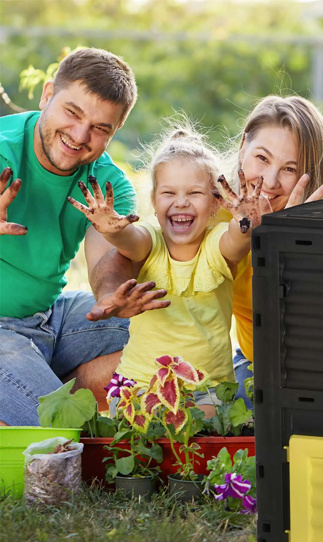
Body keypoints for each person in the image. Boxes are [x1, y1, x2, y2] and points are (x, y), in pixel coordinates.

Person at [0, 48, 167, 426]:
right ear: (47, 95)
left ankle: (29, 390)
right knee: (60, 435)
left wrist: (110, 295)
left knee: (170, 327)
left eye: (100, 128)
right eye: (72, 113)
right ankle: (37, 400)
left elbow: (106, 258)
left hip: (49, 317)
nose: (79, 136)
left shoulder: (108, 185)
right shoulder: (2, 148)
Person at [68, 122, 264, 393]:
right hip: (138, 387)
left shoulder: (214, 243)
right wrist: (111, 230)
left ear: (216, 202)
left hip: (210, 390)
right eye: (169, 193)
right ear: (154, 199)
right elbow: (130, 241)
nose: (181, 202)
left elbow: (236, 242)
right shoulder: (151, 238)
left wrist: (244, 220)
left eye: (194, 193)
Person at [224, 95, 323, 404]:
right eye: (262, 158)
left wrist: (291, 244)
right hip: (253, 365)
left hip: (321, 373)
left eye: (289, 168)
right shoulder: (215, 215)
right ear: (242, 148)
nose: (270, 182)